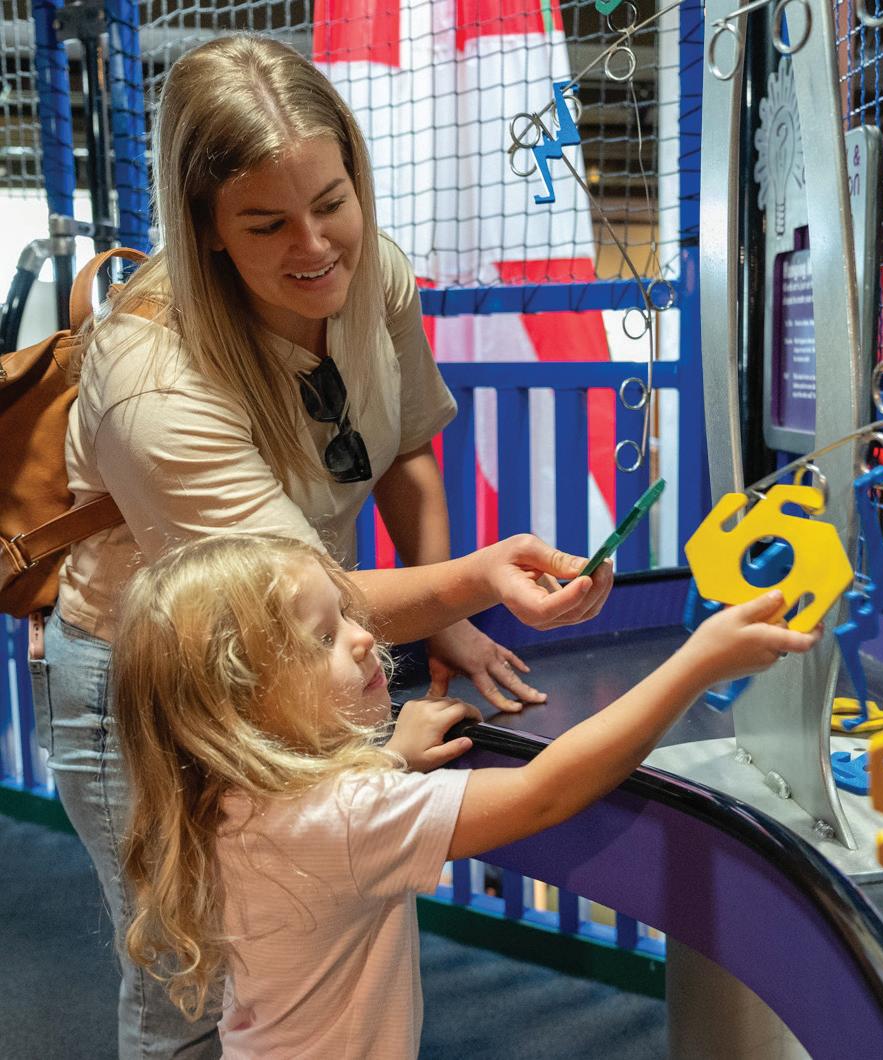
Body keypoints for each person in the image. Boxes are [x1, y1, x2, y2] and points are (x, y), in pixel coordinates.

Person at [31, 32, 612, 1059]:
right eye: (266, 223)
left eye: (332, 203)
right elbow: (275, 598)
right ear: (207, 229)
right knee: (189, 978)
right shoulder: (149, 372)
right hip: (158, 686)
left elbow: (407, 449)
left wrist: (450, 617)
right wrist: (470, 581)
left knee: (309, 943)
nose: (314, 247)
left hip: (300, 655)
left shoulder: (373, 270)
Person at [114, 533, 820, 1059]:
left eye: (348, 616)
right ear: (241, 704)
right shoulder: (347, 816)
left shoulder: (224, 794)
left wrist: (392, 757)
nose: (363, 640)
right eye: (323, 637)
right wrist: (697, 663)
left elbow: (318, 827)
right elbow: (545, 792)